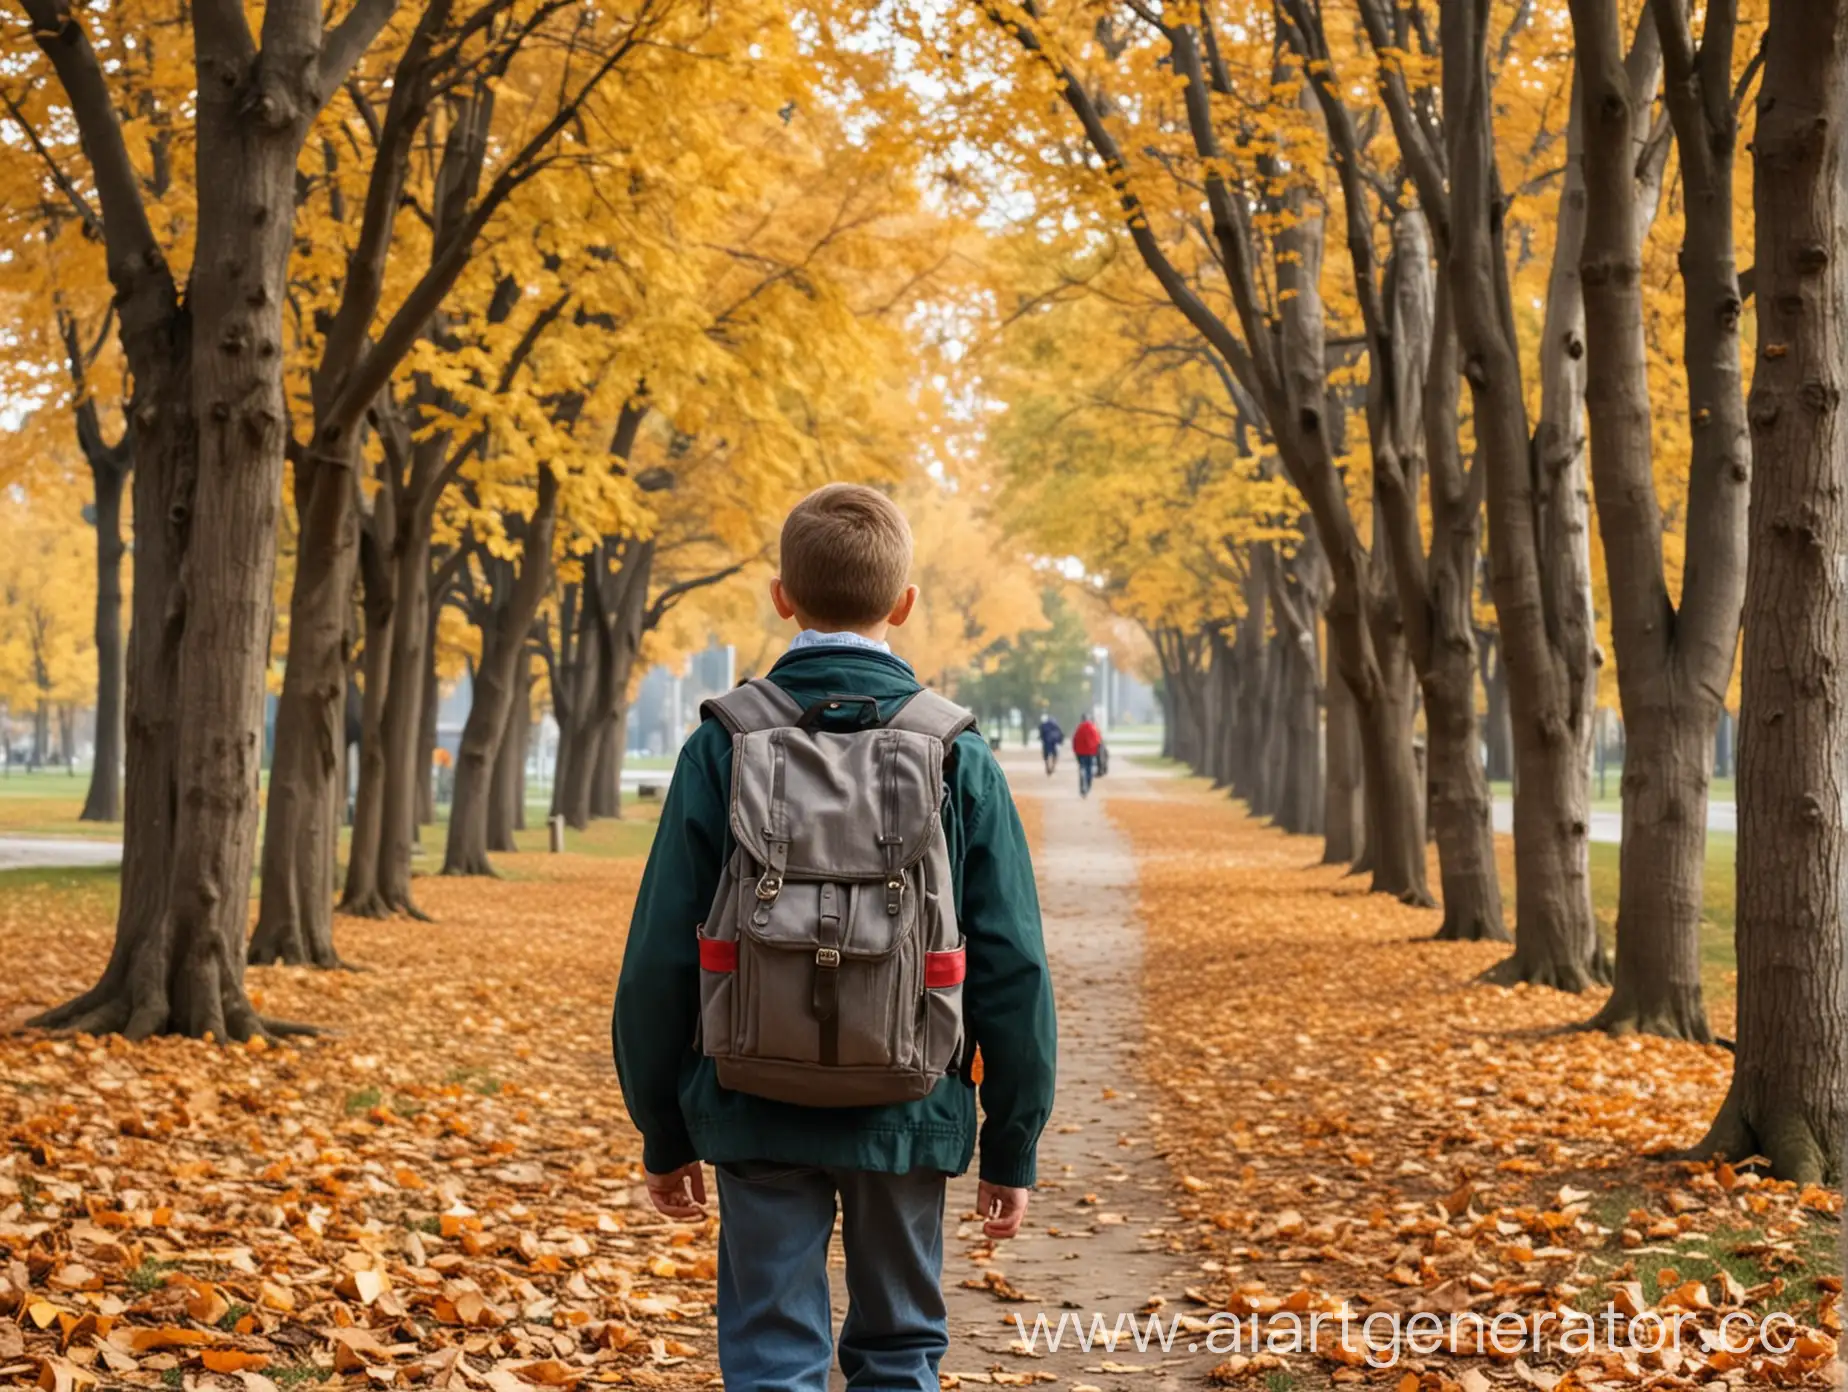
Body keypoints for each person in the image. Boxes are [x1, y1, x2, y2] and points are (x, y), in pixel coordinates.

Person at [613, 483, 1058, 1392]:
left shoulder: (724, 744)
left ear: (782, 596)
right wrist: (1012, 1141)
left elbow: (660, 950)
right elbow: (1012, 964)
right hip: (910, 1097)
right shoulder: (955, 753)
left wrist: (665, 1130)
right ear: (904, 605)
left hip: (751, 1090)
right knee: (899, 1351)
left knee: (772, 1351)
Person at [1072, 712, 1101, 797]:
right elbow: (1097, 740)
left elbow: (1075, 740)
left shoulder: (1079, 728)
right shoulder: (1093, 728)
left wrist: (1075, 751)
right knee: (1090, 769)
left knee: (1082, 767)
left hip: (1080, 752)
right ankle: (1087, 786)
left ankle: (1082, 785)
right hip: (1091, 752)